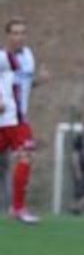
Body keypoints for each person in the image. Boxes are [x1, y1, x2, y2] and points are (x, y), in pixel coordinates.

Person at [0, 17, 45, 223]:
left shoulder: (28, 56)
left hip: (19, 120)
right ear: (7, 36)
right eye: (15, 33)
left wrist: (39, 81)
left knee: (26, 157)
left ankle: (17, 208)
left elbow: (24, 85)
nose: (19, 37)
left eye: (22, 33)